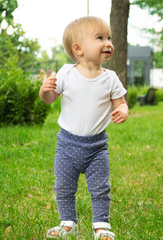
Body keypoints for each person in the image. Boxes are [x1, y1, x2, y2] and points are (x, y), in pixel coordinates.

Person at [39, 16, 128, 240]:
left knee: (100, 189)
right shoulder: (66, 73)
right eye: (100, 38)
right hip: (67, 145)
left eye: (109, 38)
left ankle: (101, 226)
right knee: (64, 188)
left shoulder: (110, 78)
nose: (108, 43)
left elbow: (121, 103)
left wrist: (123, 111)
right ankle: (68, 224)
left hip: (97, 147)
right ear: (78, 49)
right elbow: (50, 99)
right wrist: (45, 90)